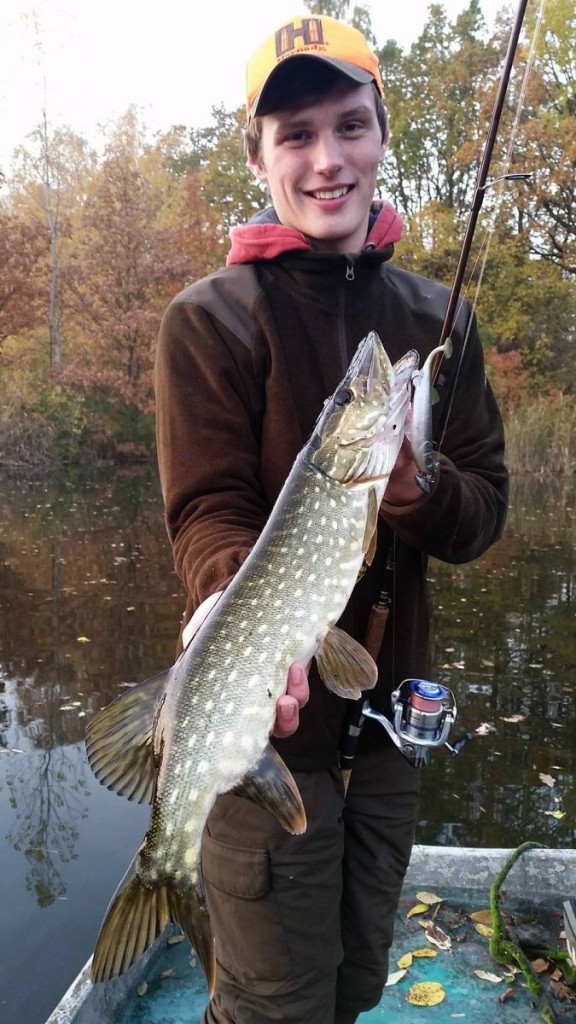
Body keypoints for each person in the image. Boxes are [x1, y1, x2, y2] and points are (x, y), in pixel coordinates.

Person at [155, 13, 509, 1024]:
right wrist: (225, 608)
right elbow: (209, 514)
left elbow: (479, 511)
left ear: (383, 132)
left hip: (389, 733)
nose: (327, 159)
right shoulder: (211, 319)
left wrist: (414, 491)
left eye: (349, 125)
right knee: (274, 1006)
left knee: (354, 984)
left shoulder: (436, 318)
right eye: (296, 134)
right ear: (260, 156)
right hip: (262, 735)